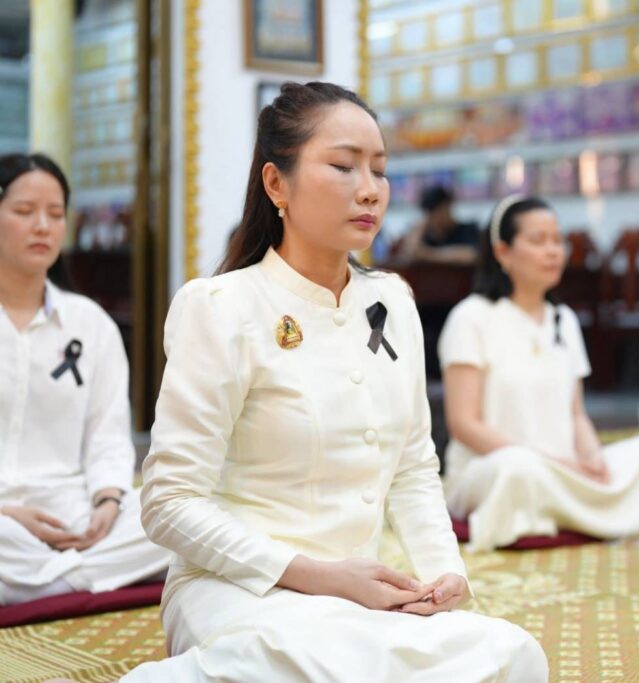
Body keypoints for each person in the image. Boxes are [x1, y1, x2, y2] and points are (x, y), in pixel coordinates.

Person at [122, 83, 546, 681]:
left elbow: (413, 467)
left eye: (380, 169)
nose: (369, 188)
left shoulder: (393, 300)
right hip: (242, 589)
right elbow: (168, 504)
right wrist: (317, 575)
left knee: (514, 653)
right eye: (344, 166)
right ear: (277, 185)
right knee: (315, 659)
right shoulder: (220, 306)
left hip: (357, 600)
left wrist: (444, 573)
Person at [439, 195, 639, 553]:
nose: (553, 251)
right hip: (498, 469)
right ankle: (600, 512)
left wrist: (593, 458)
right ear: (503, 252)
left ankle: (574, 510)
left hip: (564, 471)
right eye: (538, 240)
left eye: (558, 240)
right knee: (520, 470)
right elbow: (463, 424)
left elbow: (576, 414)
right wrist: (550, 461)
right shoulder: (471, 317)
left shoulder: (564, 320)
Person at [0, 153, 168, 606]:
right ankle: (70, 579)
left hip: (71, 514)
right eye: (24, 211)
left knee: (178, 512)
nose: (42, 226)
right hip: (3, 524)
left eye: (55, 214)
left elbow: (108, 436)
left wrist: (107, 502)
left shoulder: (90, 324)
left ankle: (48, 582)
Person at [395, 184, 479, 265]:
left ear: (448, 205)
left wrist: (428, 254)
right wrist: (420, 226)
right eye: (431, 213)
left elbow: (470, 255)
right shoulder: (427, 236)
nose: (436, 218)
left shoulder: (468, 230)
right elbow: (409, 254)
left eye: (438, 211)